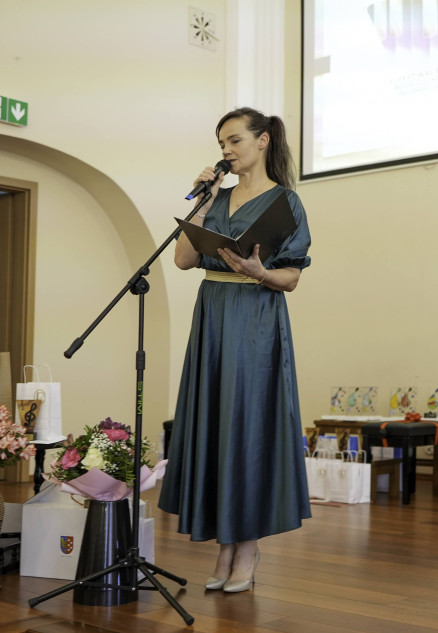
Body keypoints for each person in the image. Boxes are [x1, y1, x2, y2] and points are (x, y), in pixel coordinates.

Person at [158, 107, 312, 593]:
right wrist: (202, 200)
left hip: (255, 318)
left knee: (246, 424)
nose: (225, 150)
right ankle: (226, 544)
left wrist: (259, 273)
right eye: (221, 143)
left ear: (263, 141)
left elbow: (291, 277)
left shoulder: (284, 202)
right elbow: (184, 259)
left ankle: (247, 546)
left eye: (234, 140)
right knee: (217, 422)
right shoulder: (217, 198)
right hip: (214, 315)